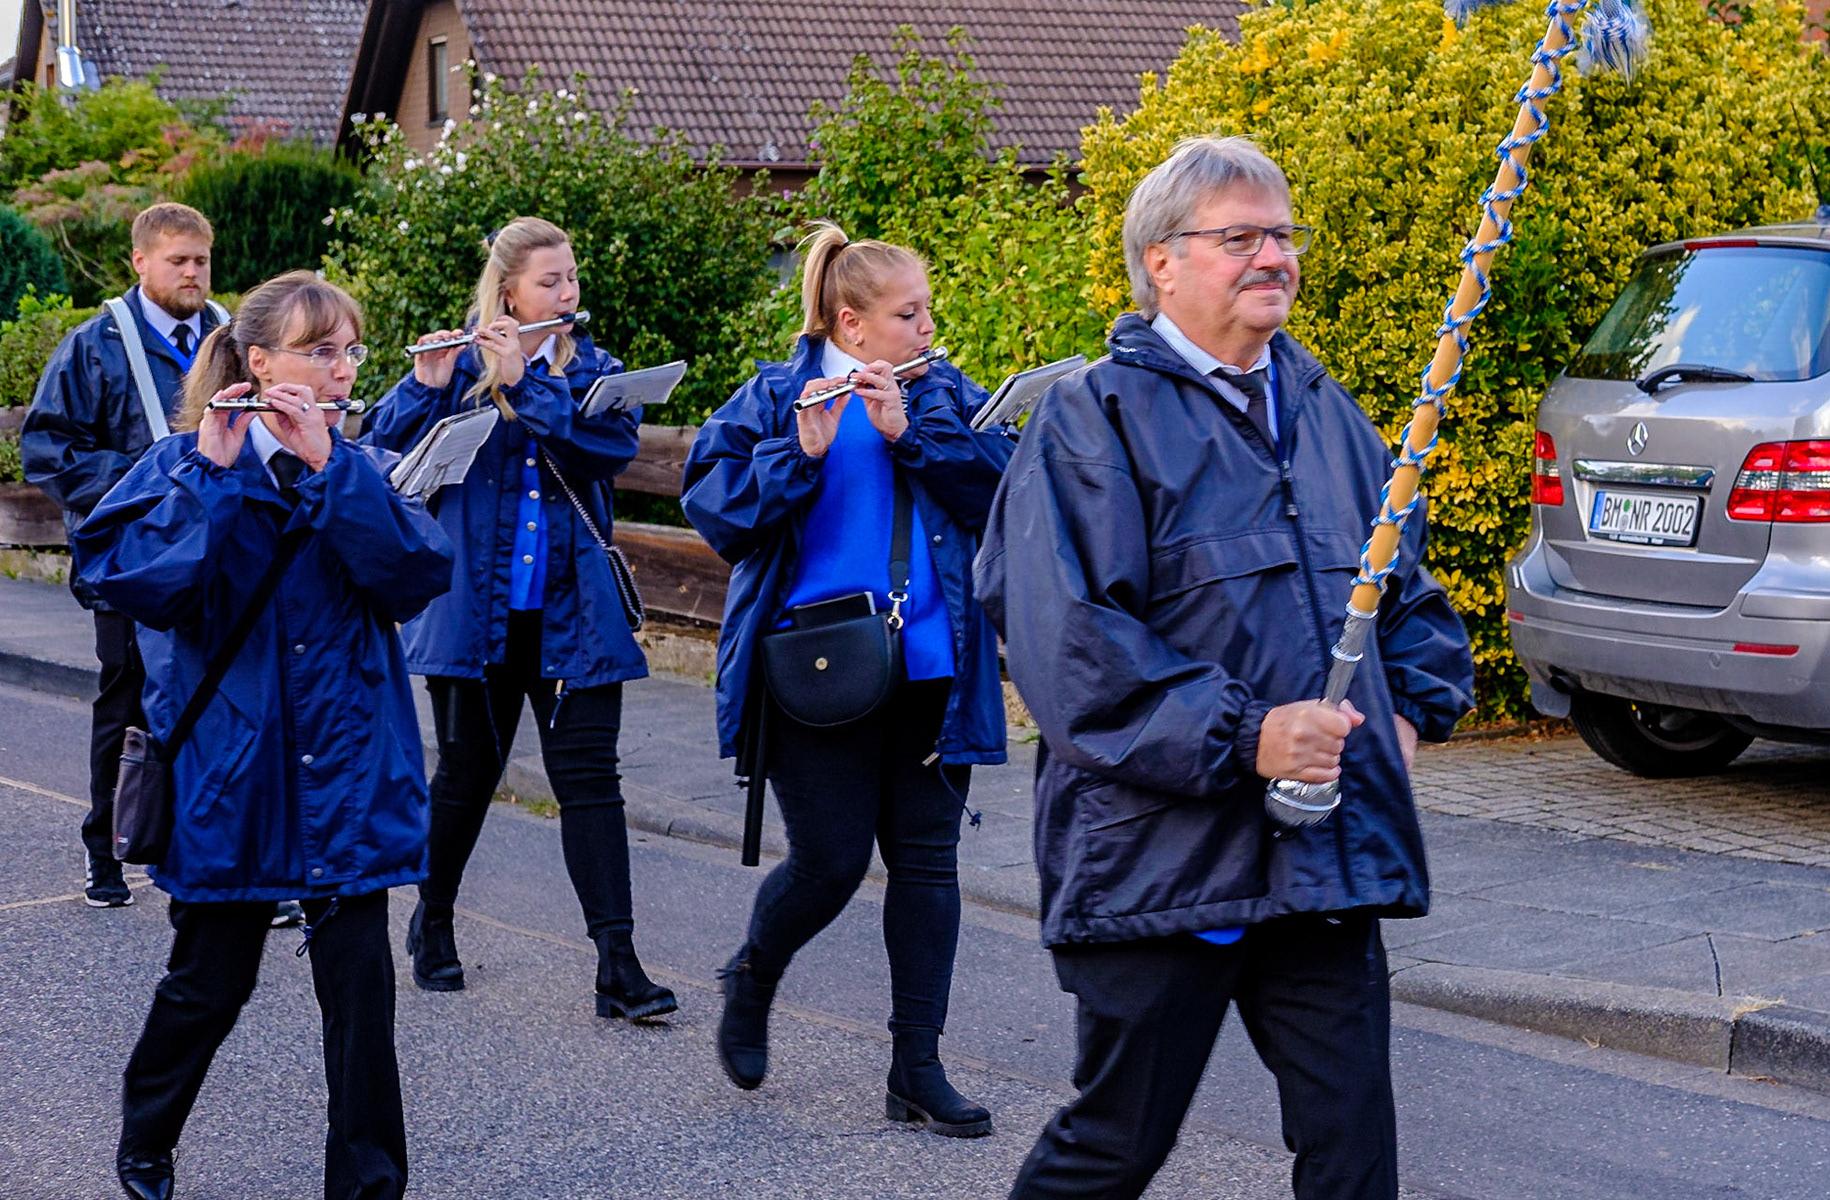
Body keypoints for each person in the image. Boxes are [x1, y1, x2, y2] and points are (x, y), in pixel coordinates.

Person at [976, 137, 1477, 1200]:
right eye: (1241, 237)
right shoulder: (1091, 419)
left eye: (1284, 235)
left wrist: (1410, 711)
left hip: (1318, 860)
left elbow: (1404, 588)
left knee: (1354, 1152)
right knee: (1115, 1146)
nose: (1274, 257)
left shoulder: (1326, 412)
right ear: (1161, 262)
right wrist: (1249, 735)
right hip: (1165, 861)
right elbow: (1069, 647)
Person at [72, 271, 454, 1200]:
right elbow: (129, 583)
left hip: (350, 770)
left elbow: (416, 577)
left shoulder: (359, 466)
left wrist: (333, 472)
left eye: (350, 350)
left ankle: (367, 1188)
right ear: (259, 361)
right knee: (209, 985)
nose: (342, 368)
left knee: (361, 1002)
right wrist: (209, 478)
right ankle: (148, 1135)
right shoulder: (182, 463)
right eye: (320, 351)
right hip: (231, 774)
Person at [682, 223, 1014, 1137]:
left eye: (927, 311)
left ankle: (917, 1066)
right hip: (816, 666)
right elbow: (716, 513)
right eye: (909, 314)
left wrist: (914, 436)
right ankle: (753, 976)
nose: (927, 327)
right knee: (829, 863)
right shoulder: (775, 395)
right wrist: (801, 453)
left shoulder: (944, 393)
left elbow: (1007, 490)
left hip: (933, 666)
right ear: (851, 323)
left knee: (927, 862)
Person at [363, 217, 674, 1022]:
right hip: (475, 616)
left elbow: (606, 452)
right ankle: (432, 919)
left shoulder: (596, 371)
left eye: (572, 277)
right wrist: (425, 385)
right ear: (508, 293)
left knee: (591, 784)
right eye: (550, 281)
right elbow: (380, 459)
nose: (567, 293)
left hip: (574, 615)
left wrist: (527, 383)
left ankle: (618, 966)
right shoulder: (461, 368)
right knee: (466, 777)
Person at [20, 204, 251, 914]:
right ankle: (108, 848)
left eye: (201, 260)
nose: (193, 273)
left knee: (224, 705)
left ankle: (224, 857)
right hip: (133, 562)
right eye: (178, 260)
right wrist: (146, 478)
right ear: (140, 262)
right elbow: (47, 449)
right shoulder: (95, 346)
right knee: (126, 708)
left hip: (219, 556)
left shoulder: (235, 338)